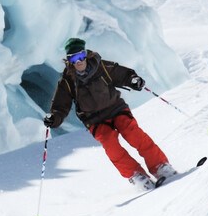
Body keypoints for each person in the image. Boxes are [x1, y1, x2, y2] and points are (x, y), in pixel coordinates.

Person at [43, 37, 176, 189]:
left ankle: (160, 166)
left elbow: (122, 74)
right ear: (69, 61)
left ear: (85, 54)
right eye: (73, 58)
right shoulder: (67, 81)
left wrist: (133, 80)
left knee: (134, 134)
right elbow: (60, 105)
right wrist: (54, 118)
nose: (78, 61)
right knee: (111, 145)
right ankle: (136, 175)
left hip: (116, 109)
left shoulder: (101, 66)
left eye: (80, 56)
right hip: (94, 120)